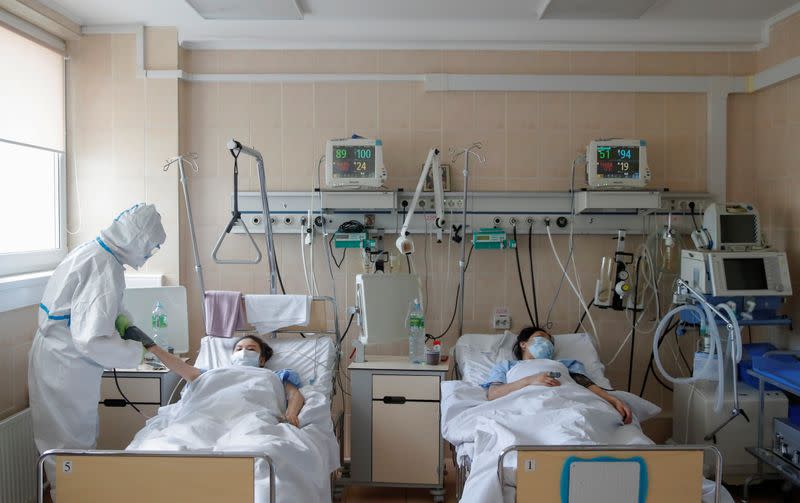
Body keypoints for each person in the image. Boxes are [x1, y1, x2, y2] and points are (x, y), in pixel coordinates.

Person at [28, 203, 166, 487]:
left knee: (57, 448)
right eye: (151, 247)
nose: (149, 254)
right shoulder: (106, 268)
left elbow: (96, 309)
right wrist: (135, 353)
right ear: (138, 239)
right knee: (70, 450)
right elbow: (91, 339)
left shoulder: (92, 251)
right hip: (67, 366)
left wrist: (123, 321)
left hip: (54, 356)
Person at [116, 324, 306, 427]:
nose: (243, 351)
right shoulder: (213, 373)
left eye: (250, 349)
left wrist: (290, 414)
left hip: (253, 417)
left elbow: (295, 395)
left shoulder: (276, 375)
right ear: (232, 356)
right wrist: (152, 346)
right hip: (208, 416)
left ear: (262, 359)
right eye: (239, 348)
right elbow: (180, 367)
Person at [481, 326, 632, 424]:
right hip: (527, 406)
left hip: (568, 402)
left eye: (549, 341)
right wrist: (531, 380)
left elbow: (587, 385)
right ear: (523, 344)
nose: (547, 342)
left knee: (582, 420)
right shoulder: (507, 366)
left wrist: (612, 400)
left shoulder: (567, 364)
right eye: (541, 336)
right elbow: (493, 394)